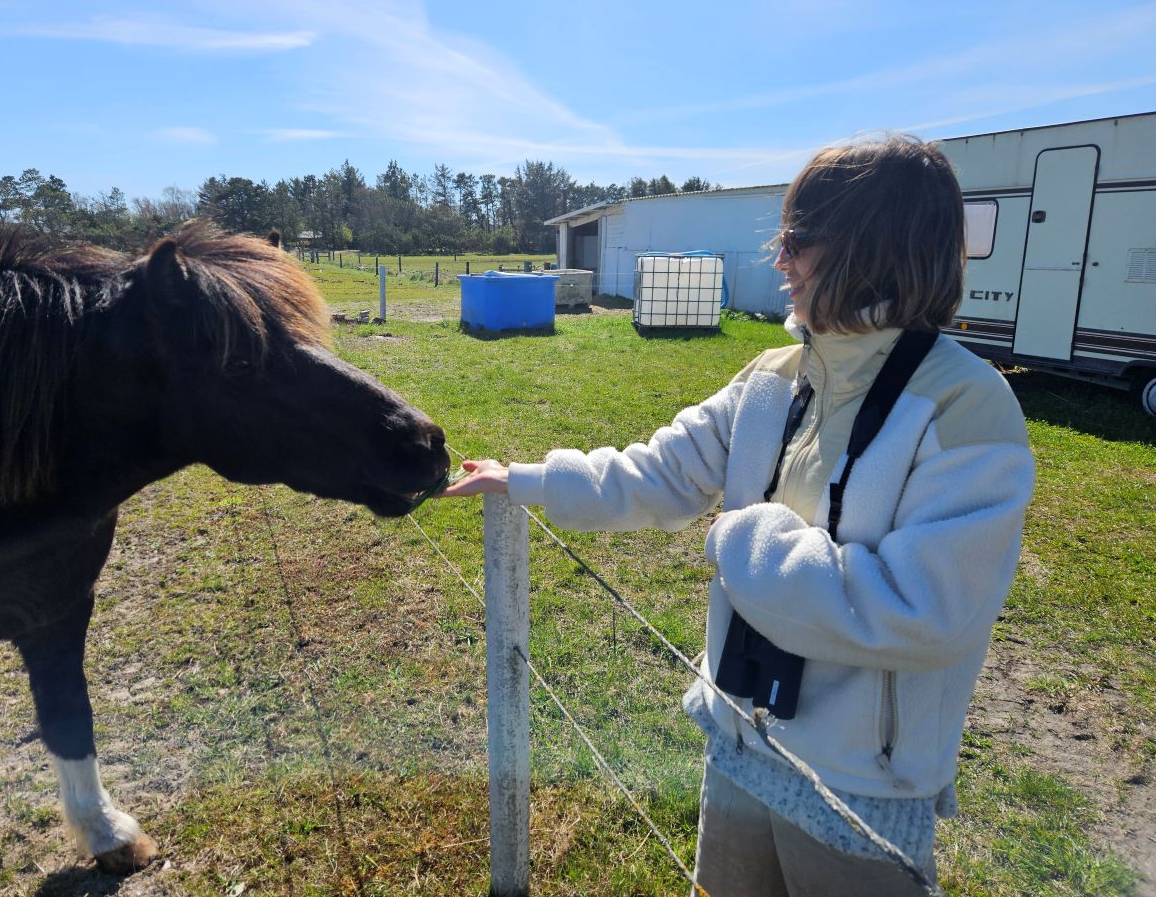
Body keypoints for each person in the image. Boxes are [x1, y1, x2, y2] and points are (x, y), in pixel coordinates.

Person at [443, 134, 1034, 896]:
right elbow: (656, 472)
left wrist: (741, 540)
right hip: (739, 741)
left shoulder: (968, 407)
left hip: (859, 792)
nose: (778, 261)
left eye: (795, 240)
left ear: (867, 248)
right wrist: (523, 480)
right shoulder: (772, 376)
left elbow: (928, 611)